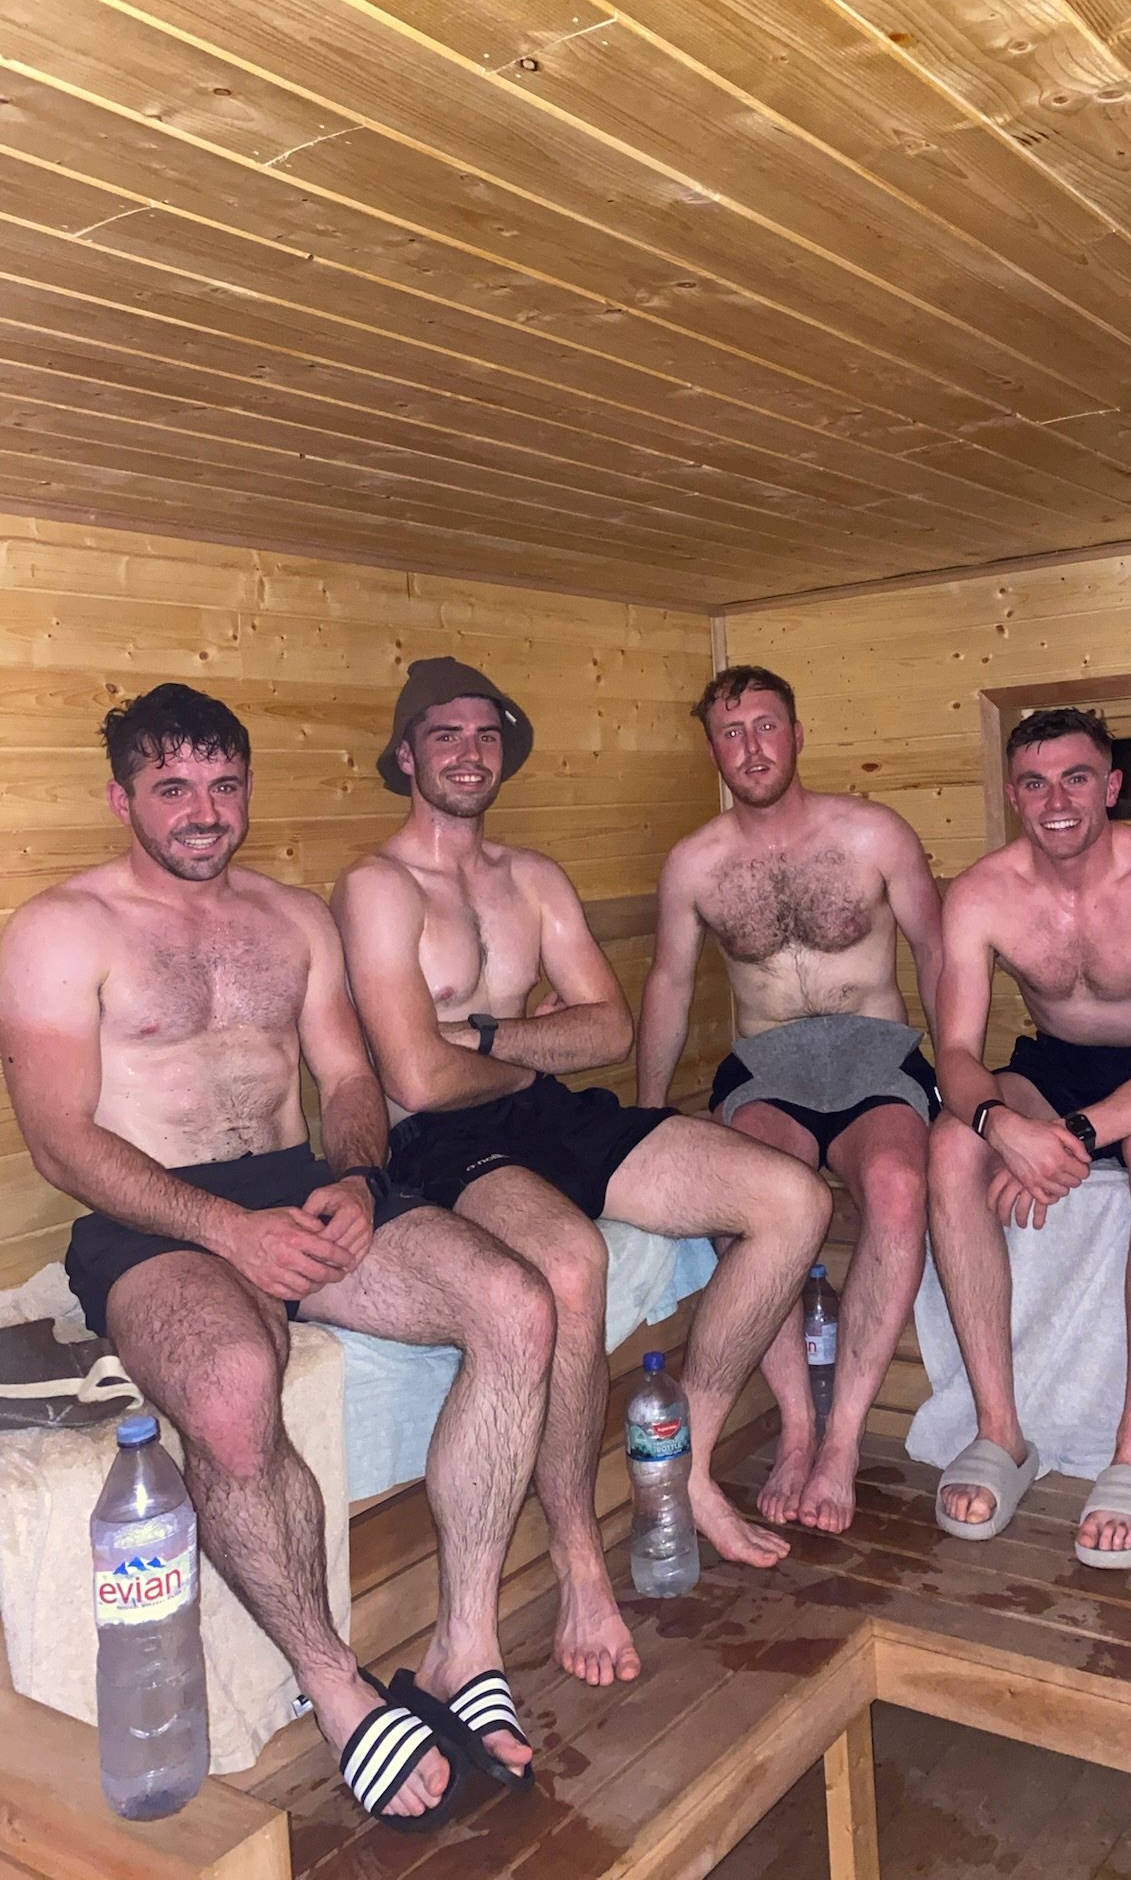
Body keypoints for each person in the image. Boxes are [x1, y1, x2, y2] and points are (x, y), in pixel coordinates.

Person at [0, 684, 555, 1833]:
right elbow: (58, 1139)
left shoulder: (294, 918)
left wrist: (353, 1179)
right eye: (172, 788)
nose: (204, 811)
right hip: (152, 1216)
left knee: (516, 1302)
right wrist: (224, 1232)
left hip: (300, 1186)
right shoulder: (60, 929)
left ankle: (465, 1644)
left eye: (223, 784)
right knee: (229, 1392)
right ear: (121, 800)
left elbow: (348, 1079)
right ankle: (337, 1686)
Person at [331, 659, 830, 1684]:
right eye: (443, 735)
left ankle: (688, 1467)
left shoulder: (534, 878)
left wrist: (481, 1035)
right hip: (439, 1140)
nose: (469, 752)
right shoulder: (376, 889)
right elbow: (415, 1079)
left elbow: (607, 1029)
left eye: (485, 734)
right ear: (405, 756)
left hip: (545, 1112)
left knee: (792, 1199)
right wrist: (527, 1044)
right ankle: (578, 1562)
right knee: (569, 1264)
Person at [927, 706, 1131, 1568]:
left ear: (1110, 785)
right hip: (1052, 1065)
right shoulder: (981, 893)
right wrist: (1000, 1125)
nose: (1056, 801)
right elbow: (955, 1054)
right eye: (1034, 783)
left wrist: (1067, 1136)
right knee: (951, 1145)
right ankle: (1000, 1432)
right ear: (1012, 795)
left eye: (1075, 778)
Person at [635, 664, 943, 1535]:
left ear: (798, 734)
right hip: (767, 1065)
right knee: (741, 1201)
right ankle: (798, 1427)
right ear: (712, 750)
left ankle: (841, 1440)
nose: (751, 747)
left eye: (766, 726)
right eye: (730, 733)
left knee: (897, 1189)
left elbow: (937, 949)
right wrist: (649, 1111)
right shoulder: (695, 863)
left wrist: (960, 1071)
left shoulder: (873, 833)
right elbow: (667, 982)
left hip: (875, 1054)